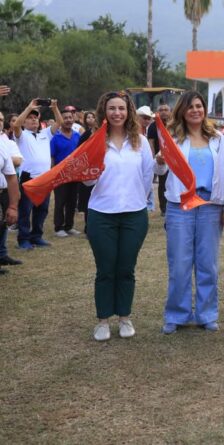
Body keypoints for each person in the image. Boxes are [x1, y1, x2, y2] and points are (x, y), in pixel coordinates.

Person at [156, 91, 224, 334]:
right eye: (190, 107)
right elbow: (160, 171)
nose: (195, 110)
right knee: (179, 264)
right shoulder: (172, 139)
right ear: (182, 110)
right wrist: (160, 160)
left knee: (208, 264)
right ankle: (176, 315)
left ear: (204, 109)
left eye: (199, 106)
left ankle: (206, 314)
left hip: (210, 206)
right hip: (180, 206)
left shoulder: (219, 139)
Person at [85, 91, 154, 341]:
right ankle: (103, 321)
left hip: (134, 215)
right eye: (112, 108)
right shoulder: (95, 141)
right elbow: (87, 181)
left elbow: (147, 176)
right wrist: (91, 172)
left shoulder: (141, 142)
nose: (117, 113)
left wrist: (135, 198)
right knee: (105, 269)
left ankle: (124, 317)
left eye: (121, 109)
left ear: (129, 112)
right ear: (104, 111)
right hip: (101, 214)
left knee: (126, 268)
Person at [12, 98, 63, 250]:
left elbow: (59, 122)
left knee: (42, 209)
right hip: (28, 178)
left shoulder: (45, 133)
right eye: (30, 118)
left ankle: (37, 236)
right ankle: (23, 239)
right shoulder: (21, 135)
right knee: (25, 210)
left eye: (35, 117)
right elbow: (16, 125)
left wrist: (54, 107)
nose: (33, 120)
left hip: (44, 178)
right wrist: (29, 107)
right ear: (25, 122)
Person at [50, 105, 82, 237]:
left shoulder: (77, 136)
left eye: (70, 117)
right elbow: (52, 157)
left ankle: (69, 226)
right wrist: (52, 174)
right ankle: (59, 228)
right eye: (65, 118)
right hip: (60, 175)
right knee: (60, 202)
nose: (68, 120)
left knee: (72, 202)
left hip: (74, 175)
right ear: (60, 120)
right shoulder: (55, 138)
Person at [0, 112, 23, 267]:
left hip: (3, 191)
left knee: (2, 226)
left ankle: (1, 255)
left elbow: (11, 176)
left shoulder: (3, 144)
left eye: (1, 119)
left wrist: (13, 206)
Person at [147, 103, 172, 216]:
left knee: (169, 183)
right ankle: (163, 208)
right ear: (157, 112)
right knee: (161, 183)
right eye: (161, 110)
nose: (163, 112)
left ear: (170, 112)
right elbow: (151, 143)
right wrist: (153, 159)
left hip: (173, 158)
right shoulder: (153, 126)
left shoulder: (174, 125)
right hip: (159, 159)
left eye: (166, 109)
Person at [77, 111, 98, 234]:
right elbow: (79, 151)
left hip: (102, 172)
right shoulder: (86, 134)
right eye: (88, 117)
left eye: (93, 117)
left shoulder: (107, 134)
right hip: (89, 172)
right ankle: (88, 227)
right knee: (89, 201)